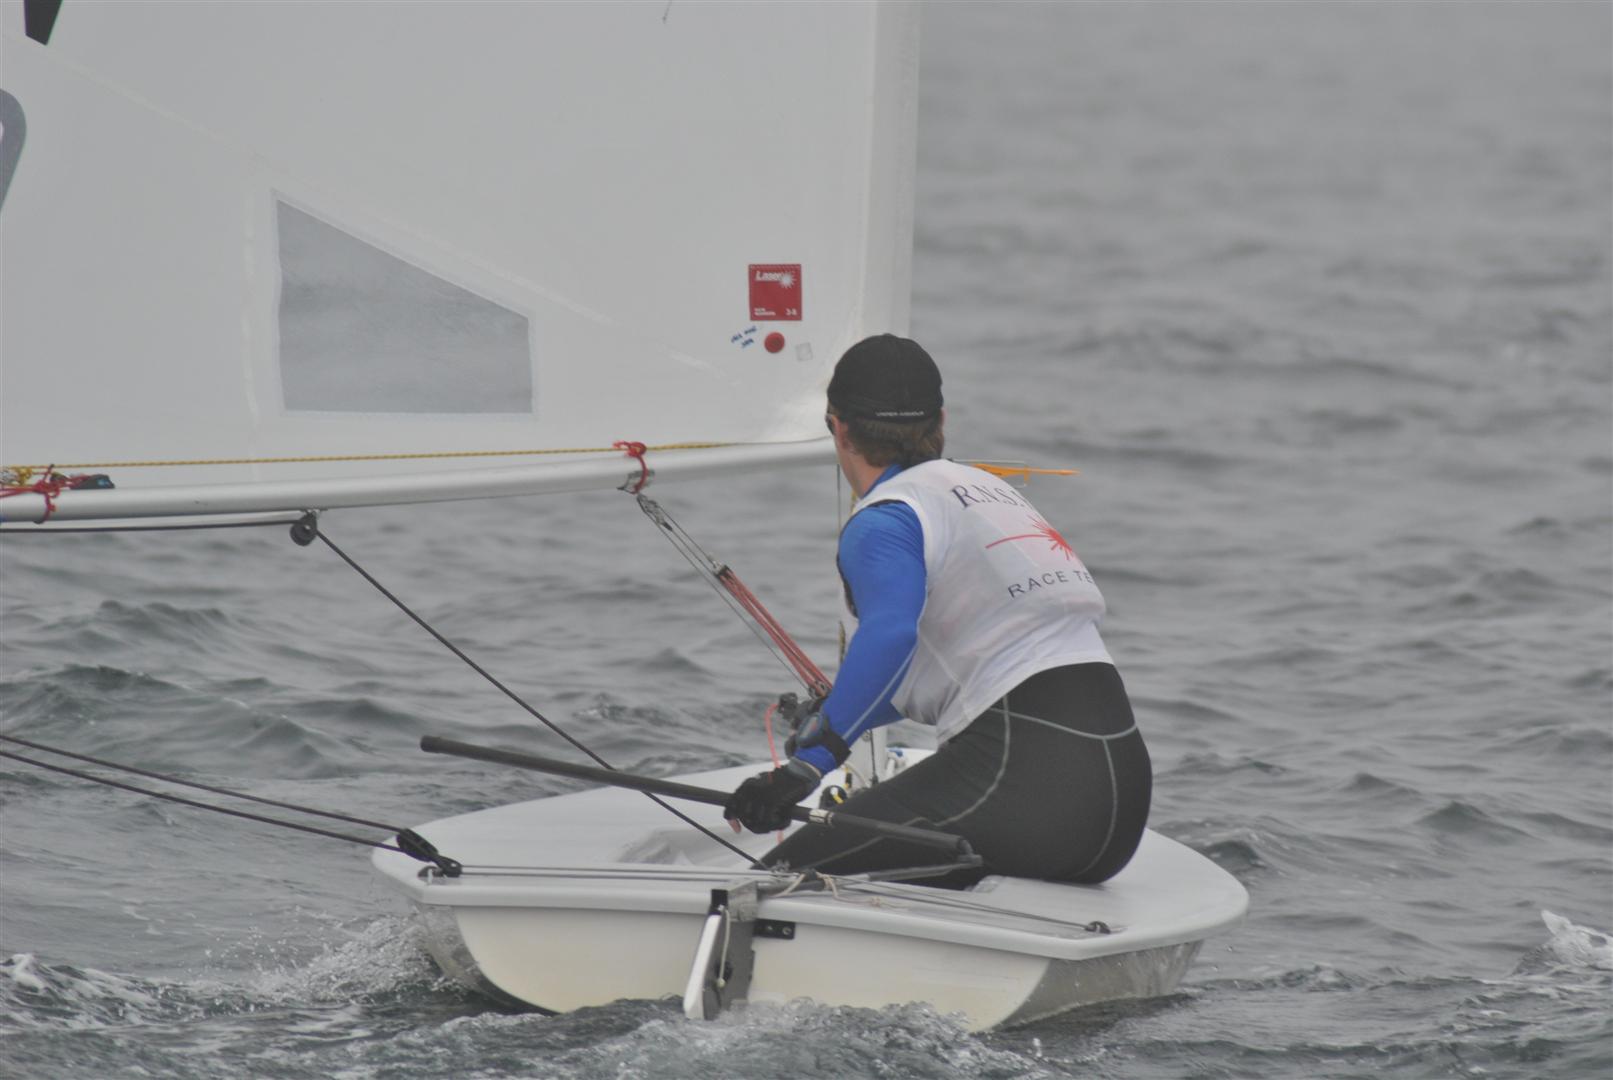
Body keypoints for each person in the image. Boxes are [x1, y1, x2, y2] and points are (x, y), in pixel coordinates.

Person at [723, 333, 1151, 887]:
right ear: (940, 421)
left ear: (838, 427)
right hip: (1116, 805)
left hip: (1025, 786)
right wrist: (831, 718)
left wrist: (810, 766)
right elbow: (962, 668)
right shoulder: (989, 494)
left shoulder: (883, 520)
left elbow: (893, 636)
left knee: (774, 881)